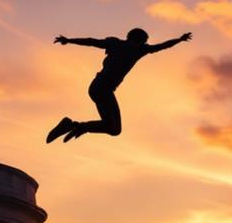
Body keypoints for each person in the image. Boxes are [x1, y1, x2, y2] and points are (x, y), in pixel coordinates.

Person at [46, 28, 193, 143]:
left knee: (114, 129)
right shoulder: (130, 47)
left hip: (101, 88)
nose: (144, 44)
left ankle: (75, 126)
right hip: (102, 87)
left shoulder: (130, 47)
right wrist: (70, 40)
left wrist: (69, 40)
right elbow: (92, 42)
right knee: (113, 128)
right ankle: (74, 126)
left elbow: (91, 41)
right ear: (139, 40)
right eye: (143, 41)